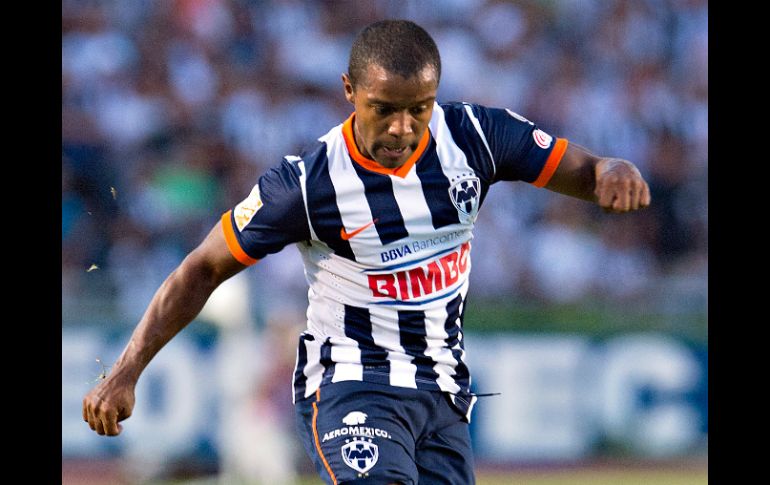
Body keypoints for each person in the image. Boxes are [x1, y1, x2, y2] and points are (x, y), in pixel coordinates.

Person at [83, 19, 651, 485]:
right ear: (349, 91)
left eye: (419, 108)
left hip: (442, 390)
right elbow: (202, 268)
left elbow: (587, 169)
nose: (403, 128)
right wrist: (126, 371)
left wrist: (613, 168)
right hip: (352, 383)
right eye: (384, 108)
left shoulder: (477, 136)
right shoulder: (307, 185)